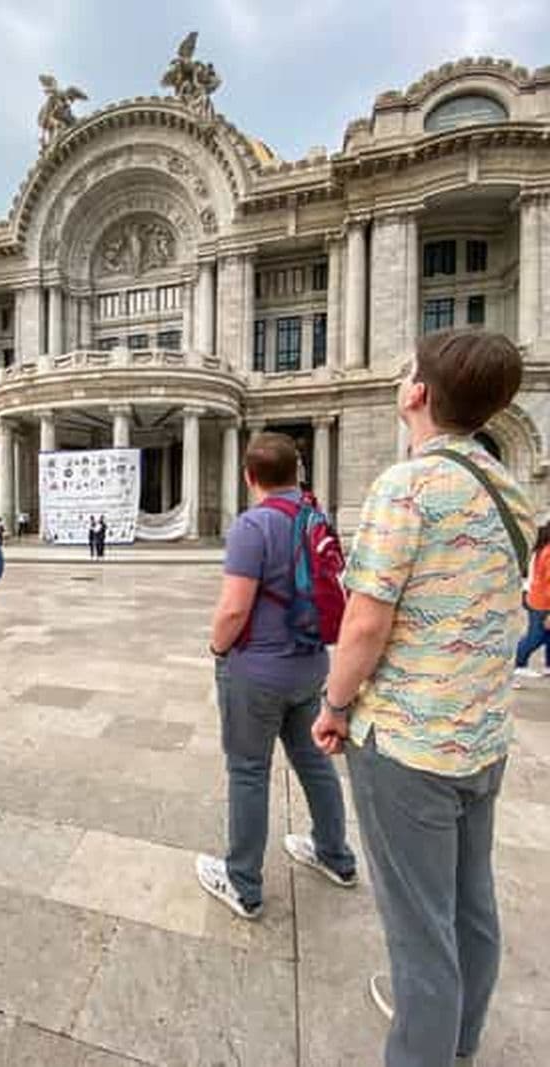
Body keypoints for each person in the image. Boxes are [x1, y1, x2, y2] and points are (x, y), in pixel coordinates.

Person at [312, 330, 534, 1067]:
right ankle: (460, 1039)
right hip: (481, 738)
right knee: (472, 907)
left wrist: (335, 704)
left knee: (419, 934)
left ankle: (425, 1048)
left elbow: (366, 621)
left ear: (415, 393)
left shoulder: (405, 486)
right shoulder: (508, 487)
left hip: (410, 743)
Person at [196, 432, 357, 920]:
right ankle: (336, 855)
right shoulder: (316, 518)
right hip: (311, 666)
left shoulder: (254, 525)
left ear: (250, 477)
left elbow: (233, 609)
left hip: (258, 671)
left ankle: (242, 881)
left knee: (248, 771)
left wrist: (216, 648)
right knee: (313, 762)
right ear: (297, 474)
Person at [513, 520, 550, 685]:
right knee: (536, 637)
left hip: (535, 597)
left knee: (546, 636)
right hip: (543, 603)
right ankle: (516, 664)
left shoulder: (543, 547)